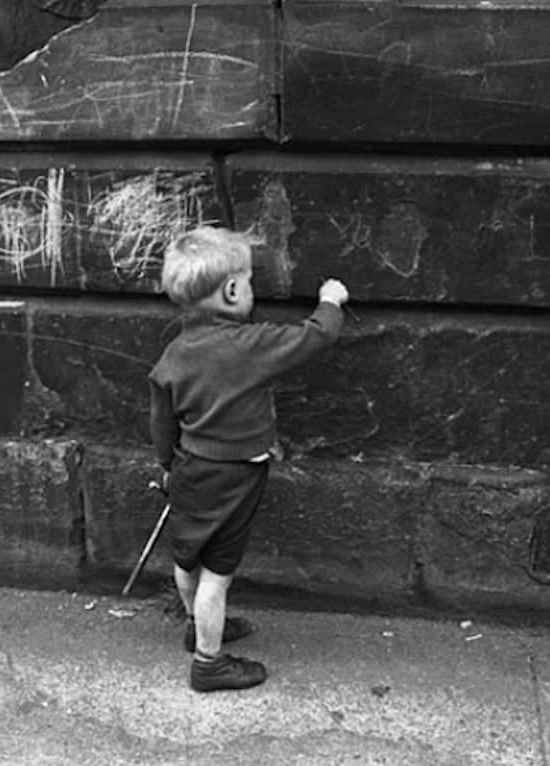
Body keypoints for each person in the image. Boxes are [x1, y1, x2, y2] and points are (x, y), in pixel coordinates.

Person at [147, 225, 350, 692]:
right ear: (234, 290)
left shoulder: (174, 353)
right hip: (234, 474)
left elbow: (161, 422)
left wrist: (166, 464)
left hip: (189, 468)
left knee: (188, 557)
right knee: (218, 574)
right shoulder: (248, 345)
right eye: (249, 281)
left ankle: (197, 626)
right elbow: (314, 337)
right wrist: (330, 300)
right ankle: (209, 663)